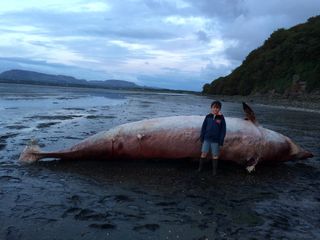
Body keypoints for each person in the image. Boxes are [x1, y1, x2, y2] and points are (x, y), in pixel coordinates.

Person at [198, 100, 226, 175]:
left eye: (217, 108)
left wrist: (221, 140)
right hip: (207, 138)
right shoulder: (208, 116)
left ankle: (214, 171)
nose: (215, 109)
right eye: (214, 107)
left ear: (219, 109)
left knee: (215, 155)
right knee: (203, 153)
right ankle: (200, 168)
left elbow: (223, 130)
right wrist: (202, 137)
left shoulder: (221, 118)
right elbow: (203, 127)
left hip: (215, 140)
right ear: (211, 108)